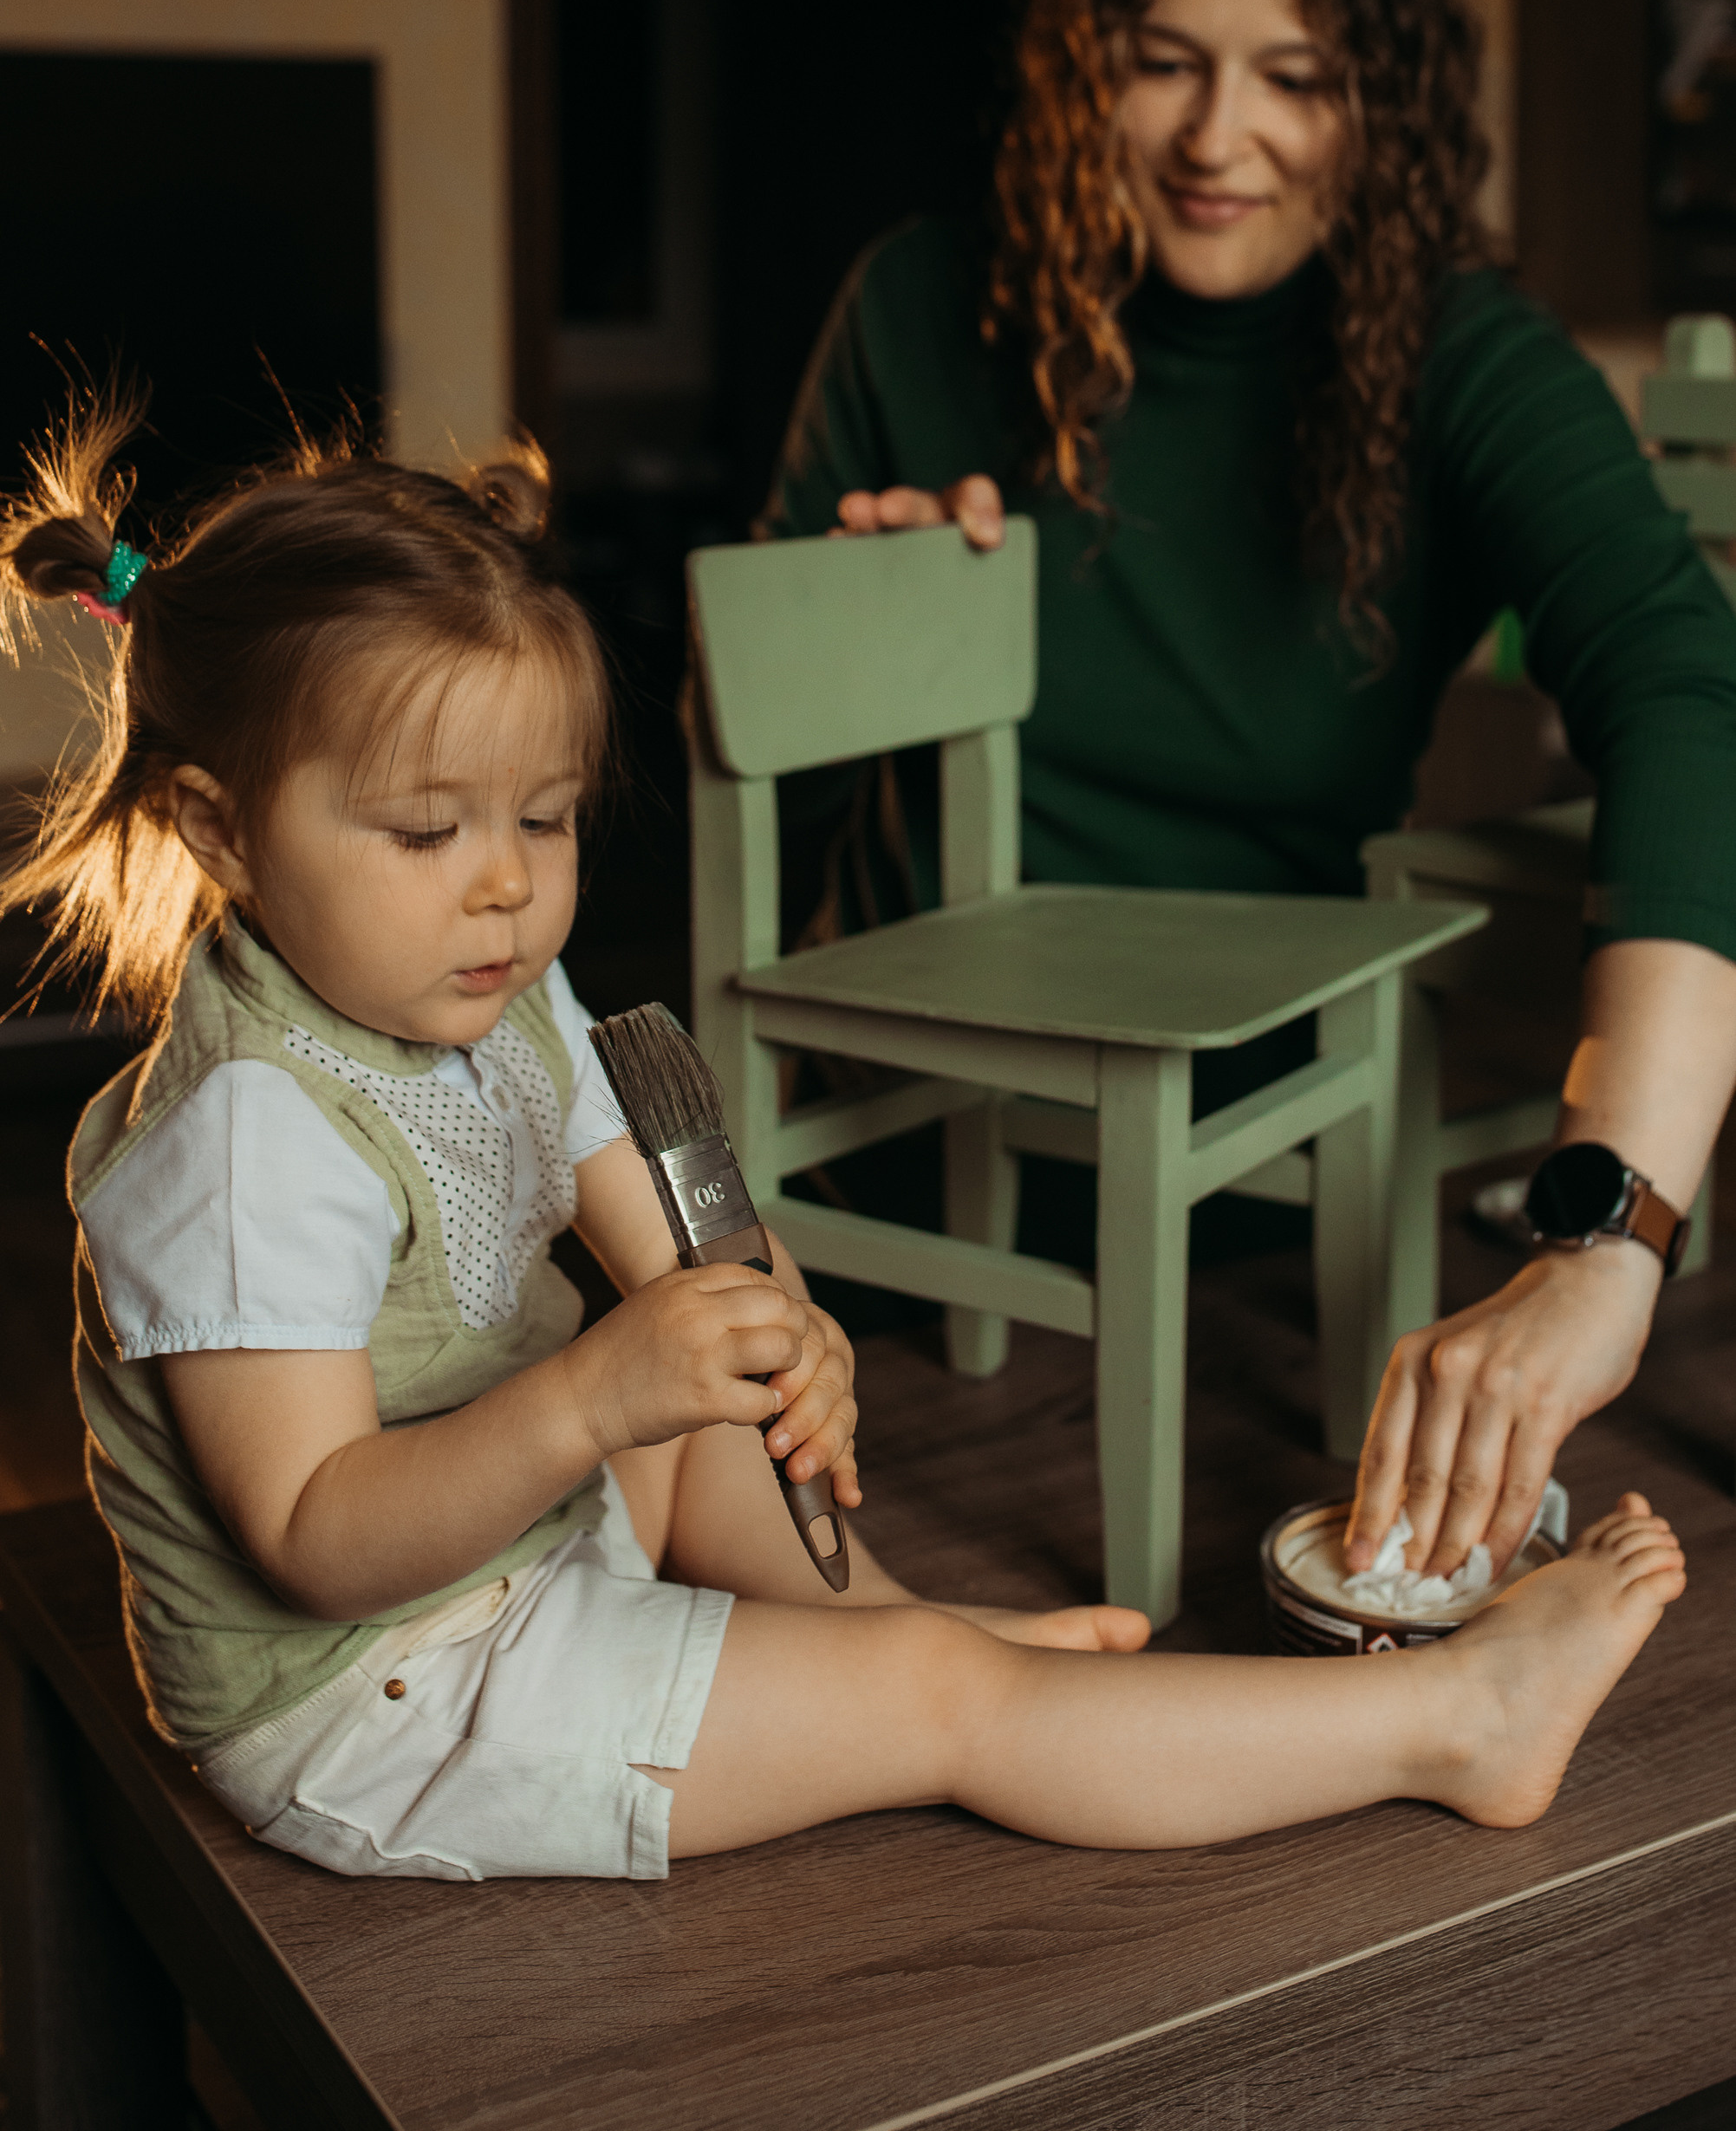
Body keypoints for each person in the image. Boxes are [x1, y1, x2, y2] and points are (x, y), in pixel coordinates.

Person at [0, 404, 1686, 1878]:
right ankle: (1447, 1719)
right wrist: (599, 1390)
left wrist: (766, 1321)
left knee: (697, 1403)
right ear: (218, 828)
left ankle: (881, 1633)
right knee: (945, 1707)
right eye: (427, 829)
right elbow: (313, 1539)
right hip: (375, 1694)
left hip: (509, 1542)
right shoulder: (244, 1144)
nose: (506, 880)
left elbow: (678, 1240)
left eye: (547, 816)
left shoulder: (479, 977)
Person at [762, 0, 1736, 1595]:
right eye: (1163, 59)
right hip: (880, 1210)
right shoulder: (915, 306)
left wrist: (1608, 1232)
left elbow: (1687, 683)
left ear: (1389, 103)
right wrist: (851, 636)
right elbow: (717, 805)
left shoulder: (1462, 361)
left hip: (1246, 1212)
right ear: (1082, 69)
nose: (1221, 136)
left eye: (1298, 75)